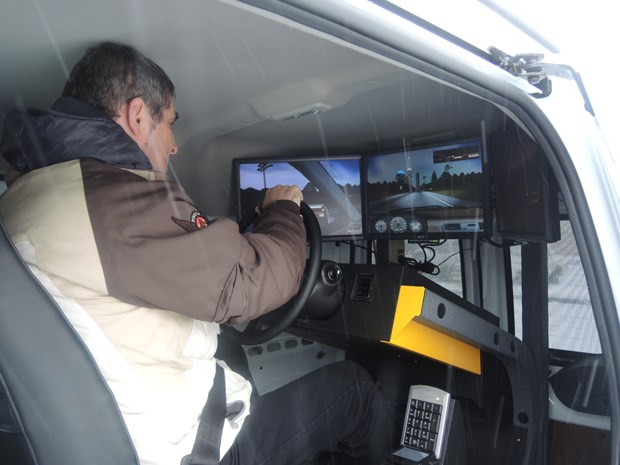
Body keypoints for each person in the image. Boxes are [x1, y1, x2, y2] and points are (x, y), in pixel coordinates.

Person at [0, 43, 392, 465]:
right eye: (168, 124)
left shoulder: (32, 192)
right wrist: (283, 210)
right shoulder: (115, 200)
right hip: (184, 447)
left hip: (120, 422)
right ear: (137, 116)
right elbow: (248, 283)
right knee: (354, 389)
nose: (174, 146)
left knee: (233, 352)